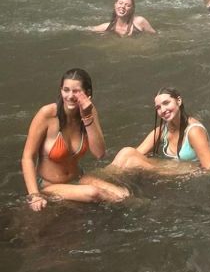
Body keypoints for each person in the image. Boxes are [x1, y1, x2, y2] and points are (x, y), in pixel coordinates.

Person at [21, 68, 130, 211]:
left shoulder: (90, 111)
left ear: (88, 93)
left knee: (123, 194)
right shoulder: (47, 114)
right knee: (94, 193)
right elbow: (27, 157)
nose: (70, 96)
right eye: (66, 90)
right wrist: (34, 195)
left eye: (76, 91)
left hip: (78, 178)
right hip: (49, 184)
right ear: (61, 91)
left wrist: (86, 116)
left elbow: (99, 153)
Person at [111, 87, 210, 174]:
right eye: (158, 107)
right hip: (169, 167)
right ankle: (106, 177)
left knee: (132, 161)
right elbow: (136, 152)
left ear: (178, 101)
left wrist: (186, 174)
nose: (163, 110)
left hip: (186, 172)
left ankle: (105, 180)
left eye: (166, 103)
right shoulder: (163, 130)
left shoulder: (194, 131)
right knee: (126, 152)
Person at [89, 0, 156, 36]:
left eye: (128, 5)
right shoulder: (107, 27)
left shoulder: (140, 22)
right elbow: (87, 29)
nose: (123, 6)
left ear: (132, 9)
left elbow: (155, 36)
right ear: (115, 5)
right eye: (120, 3)